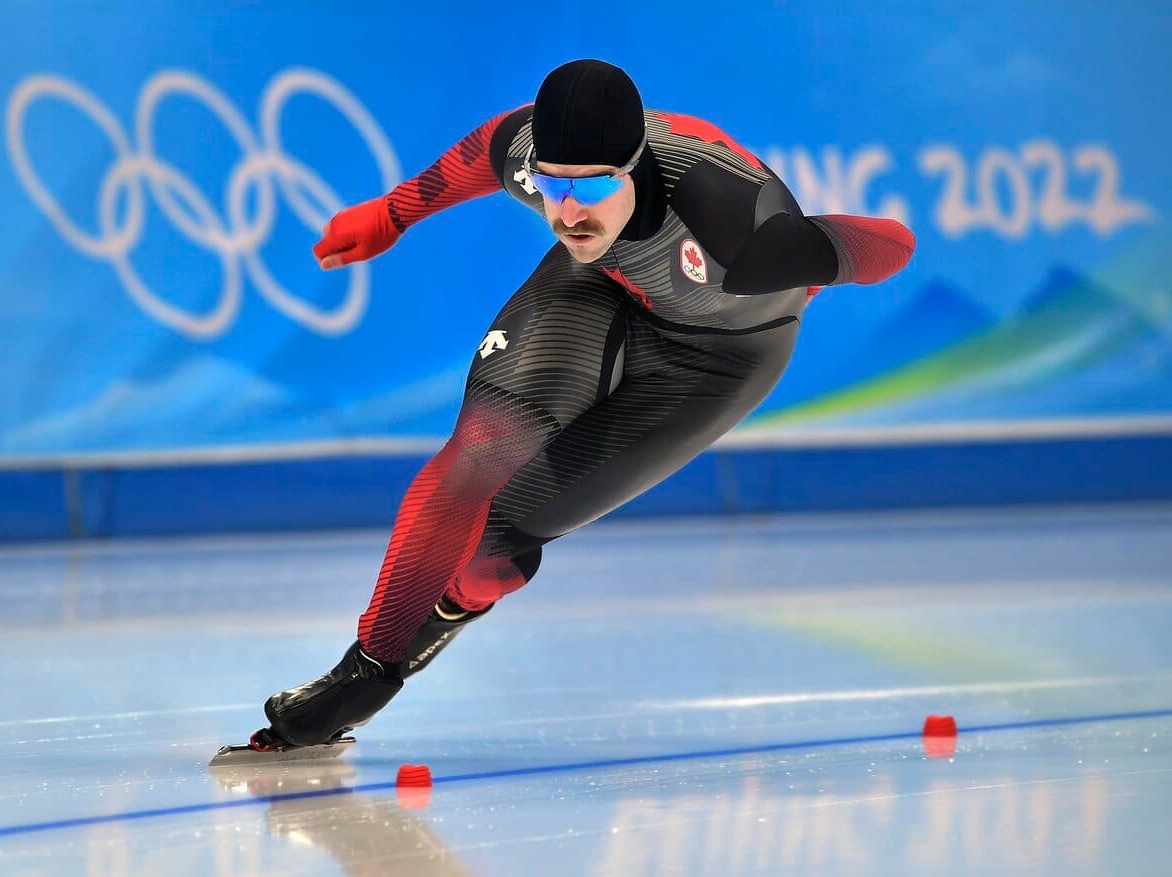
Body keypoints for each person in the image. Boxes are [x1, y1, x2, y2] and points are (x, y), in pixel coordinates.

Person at [252, 59, 915, 750]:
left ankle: (448, 611)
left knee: (493, 542)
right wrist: (392, 213)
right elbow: (487, 147)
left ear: (637, 169)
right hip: (601, 285)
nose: (567, 211)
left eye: (594, 185)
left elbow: (893, 247)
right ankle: (365, 670)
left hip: (719, 357)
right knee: (479, 454)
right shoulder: (541, 176)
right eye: (552, 184)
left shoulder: (730, 223)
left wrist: (805, 257)